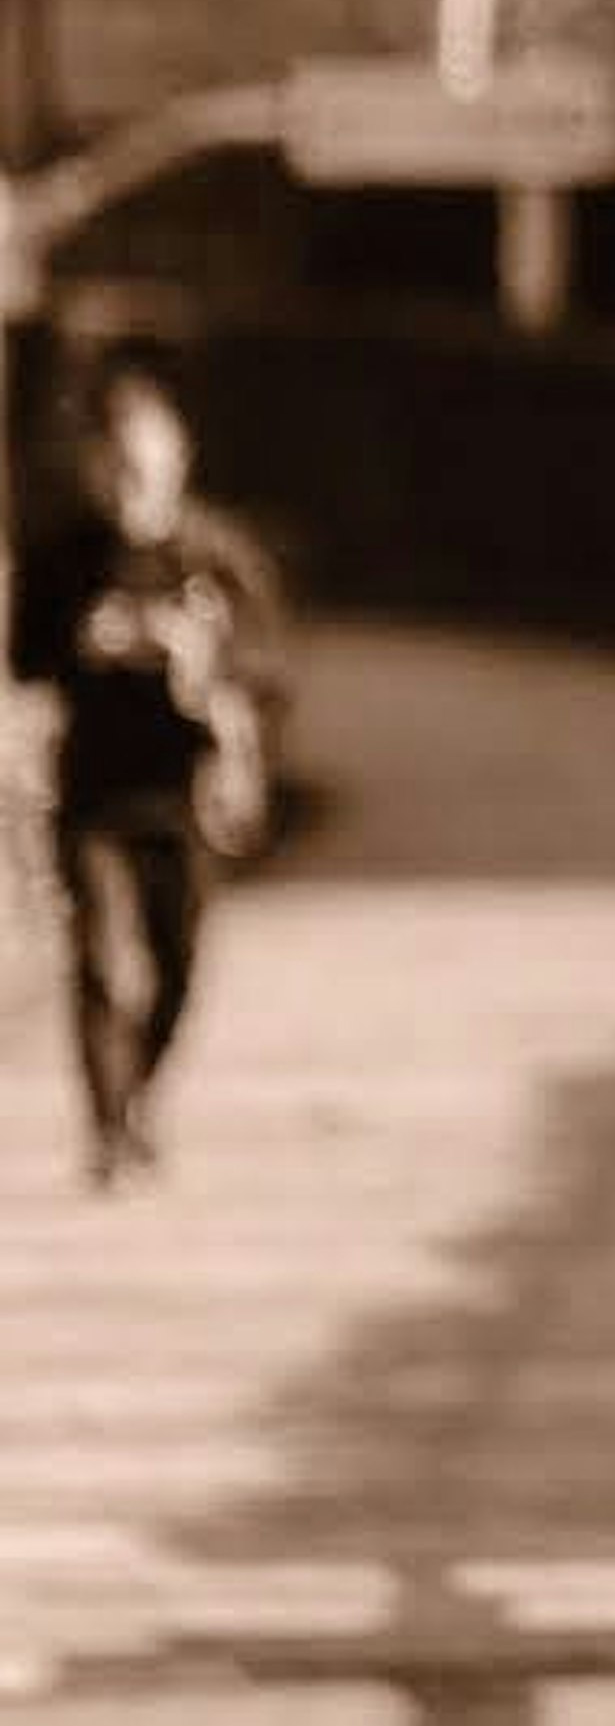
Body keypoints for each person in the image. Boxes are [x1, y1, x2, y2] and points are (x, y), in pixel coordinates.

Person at [12, 352, 270, 1188]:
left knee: (177, 964)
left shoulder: (217, 557)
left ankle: (139, 1100)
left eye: (143, 470)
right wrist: (84, 642)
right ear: (95, 467)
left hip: (185, 797)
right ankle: (106, 1128)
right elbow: (23, 661)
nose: (127, 486)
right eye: (114, 469)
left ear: (176, 463)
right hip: (91, 790)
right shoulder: (62, 557)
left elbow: (272, 675)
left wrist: (202, 660)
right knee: (96, 961)